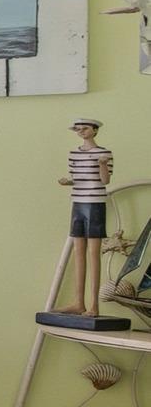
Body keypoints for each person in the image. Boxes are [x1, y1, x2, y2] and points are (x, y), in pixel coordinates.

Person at [44, 119, 127, 330]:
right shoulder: (74, 154)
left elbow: (105, 180)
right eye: (78, 129)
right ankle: (78, 302)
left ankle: (93, 304)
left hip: (95, 203)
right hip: (78, 203)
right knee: (78, 251)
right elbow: (78, 178)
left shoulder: (104, 153)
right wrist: (68, 182)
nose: (81, 132)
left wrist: (101, 165)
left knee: (93, 253)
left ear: (94, 130)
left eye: (85, 129)